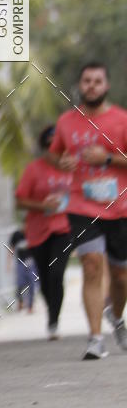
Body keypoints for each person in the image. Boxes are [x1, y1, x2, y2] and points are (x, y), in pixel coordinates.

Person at [48, 61, 127, 360]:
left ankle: (116, 318)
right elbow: (56, 155)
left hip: (120, 207)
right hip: (82, 205)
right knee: (92, 265)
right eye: (86, 81)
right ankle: (95, 338)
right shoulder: (67, 122)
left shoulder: (121, 120)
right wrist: (62, 163)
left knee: (120, 276)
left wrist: (107, 159)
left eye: (97, 81)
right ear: (80, 86)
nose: (91, 86)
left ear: (106, 86)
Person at [15, 125, 72, 339]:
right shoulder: (34, 170)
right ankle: (52, 310)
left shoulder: (73, 168)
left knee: (57, 274)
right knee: (46, 278)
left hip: (65, 229)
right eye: (52, 148)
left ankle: (54, 322)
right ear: (45, 148)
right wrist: (43, 206)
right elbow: (20, 201)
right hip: (38, 232)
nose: (56, 152)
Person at [9, 228, 37, 314]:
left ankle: (30, 306)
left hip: (31, 262)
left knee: (31, 284)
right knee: (19, 283)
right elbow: (11, 248)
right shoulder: (16, 235)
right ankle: (20, 302)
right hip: (20, 262)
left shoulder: (33, 233)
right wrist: (9, 262)